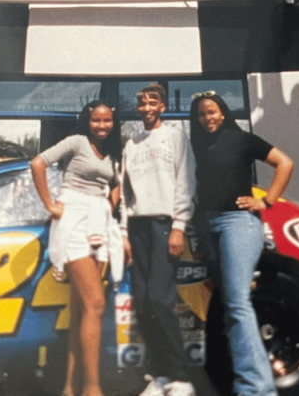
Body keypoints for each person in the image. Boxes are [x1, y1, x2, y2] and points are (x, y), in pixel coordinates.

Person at [188, 93, 293, 396]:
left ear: (222, 112)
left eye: (212, 112)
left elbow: (284, 163)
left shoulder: (242, 139)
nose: (207, 118)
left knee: (237, 303)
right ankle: (245, 382)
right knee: (229, 305)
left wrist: (266, 200)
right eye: (201, 115)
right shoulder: (198, 145)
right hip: (208, 226)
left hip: (238, 224)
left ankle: (258, 389)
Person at [30, 101, 124, 396]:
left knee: (83, 308)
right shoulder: (77, 141)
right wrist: (49, 204)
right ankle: (92, 389)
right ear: (88, 121)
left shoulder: (113, 152)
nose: (102, 125)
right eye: (96, 120)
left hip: (98, 223)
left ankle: (70, 388)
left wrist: (109, 206)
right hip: (73, 221)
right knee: (96, 304)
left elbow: (115, 185)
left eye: (107, 120)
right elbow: (38, 163)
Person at [120, 83, 196, 396]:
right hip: (137, 227)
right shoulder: (131, 143)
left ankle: (181, 377)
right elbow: (125, 192)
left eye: (153, 102)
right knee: (142, 302)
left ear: (162, 106)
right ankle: (160, 375)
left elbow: (186, 179)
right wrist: (124, 232)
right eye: (142, 103)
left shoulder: (176, 136)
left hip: (164, 224)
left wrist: (179, 225)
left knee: (160, 299)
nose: (147, 107)